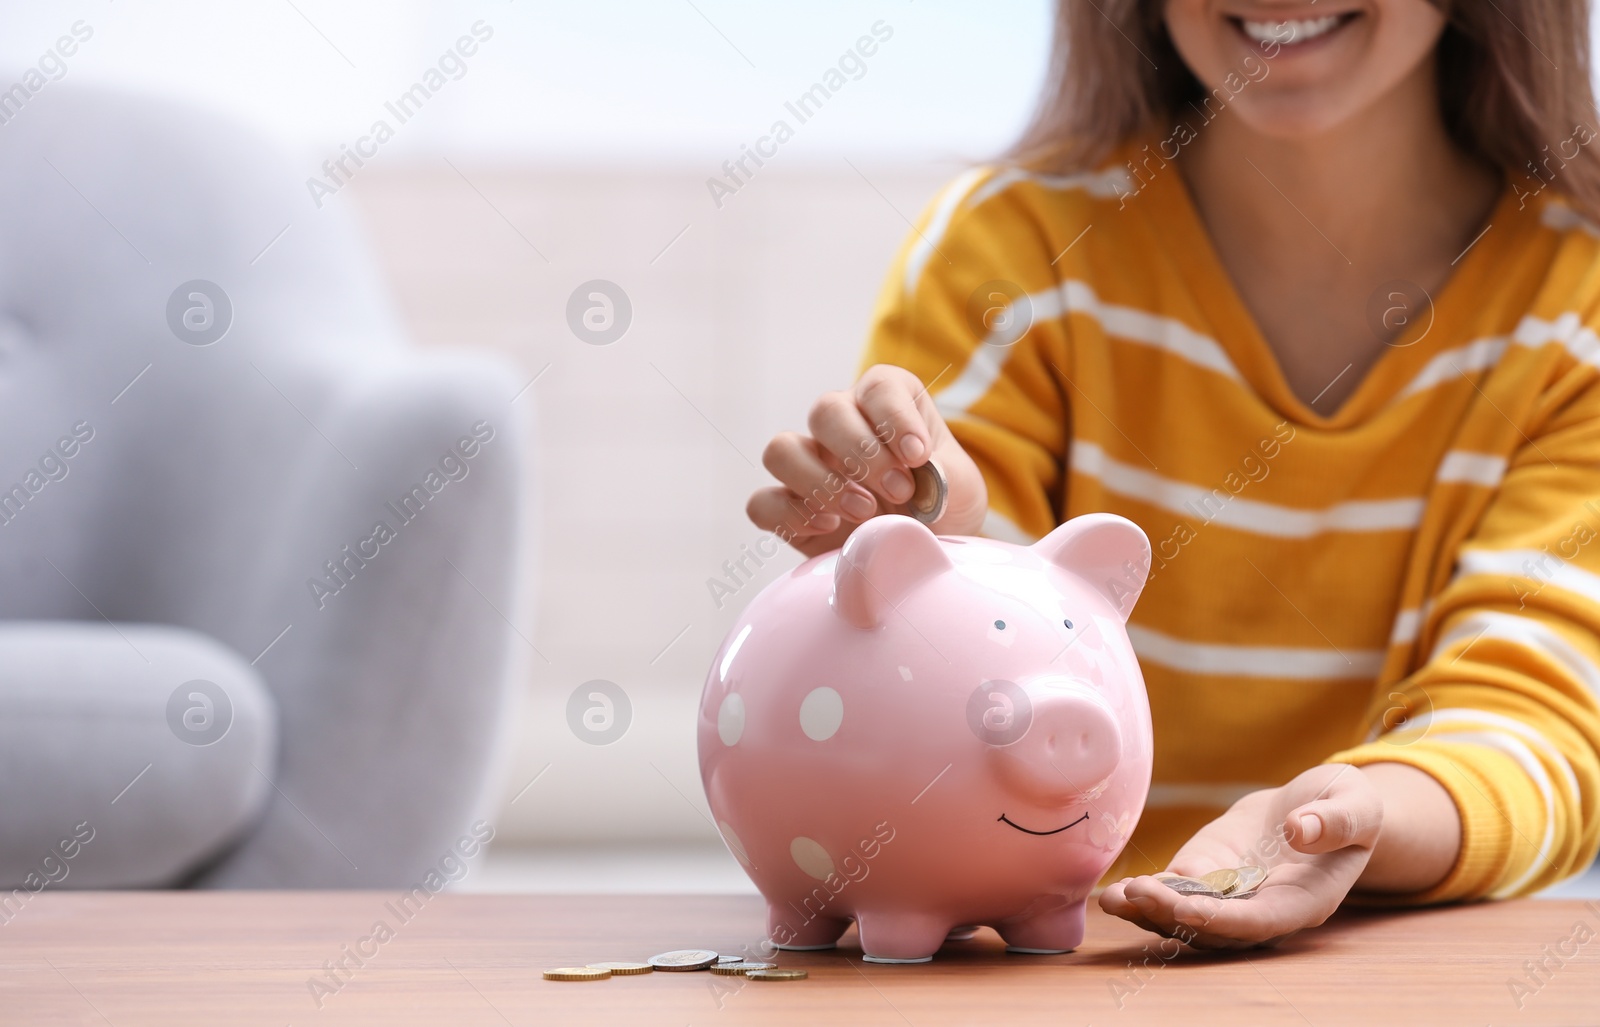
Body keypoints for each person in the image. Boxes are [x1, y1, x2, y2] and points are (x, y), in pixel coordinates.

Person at [747, 1, 1600, 948]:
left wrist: (1353, 819)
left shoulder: (1580, 303)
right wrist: (944, 554)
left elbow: (1540, 727)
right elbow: (922, 740)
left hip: (1392, 975)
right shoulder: (1009, 254)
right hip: (1028, 971)